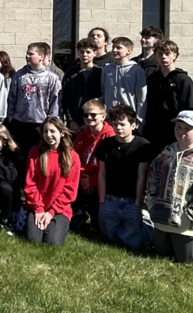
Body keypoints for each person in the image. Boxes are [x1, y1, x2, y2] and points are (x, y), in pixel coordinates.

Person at [145, 110, 193, 264]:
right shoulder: (166, 153)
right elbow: (152, 177)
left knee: (186, 262)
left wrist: (192, 213)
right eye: (179, 127)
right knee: (160, 258)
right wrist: (152, 203)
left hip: (187, 222)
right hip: (161, 218)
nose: (181, 132)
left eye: (187, 129)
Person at [95, 105, 154, 250]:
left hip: (131, 201)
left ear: (133, 125)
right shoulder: (105, 145)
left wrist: (137, 202)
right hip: (110, 199)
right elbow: (102, 174)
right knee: (109, 240)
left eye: (122, 124)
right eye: (115, 124)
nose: (118, 128)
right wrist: (102, 201)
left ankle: (146, 222)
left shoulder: (143, 146)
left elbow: (142, 176)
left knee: (134, 244)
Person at [24, 117, 81, 246]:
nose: (48, 135)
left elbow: (70, 191)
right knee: (33, 240)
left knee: (53, 242)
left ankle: (60, 224)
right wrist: (38, 209)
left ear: (62, 133)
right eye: (45, 131)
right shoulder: (35, 152)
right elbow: (30, 184)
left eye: (52, 131)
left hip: (59, 209)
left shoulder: (73, 157)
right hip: (37, 205)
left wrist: (51, 212)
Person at [7, 42, 62, 171]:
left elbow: (56, 102)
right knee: (19, 157)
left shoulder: (52, 78)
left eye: (31, 54)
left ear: (42, 57)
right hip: (19, 122)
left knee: (39, 158)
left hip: (40, 124)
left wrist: (51, 123)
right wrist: (11, 117)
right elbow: (11, 98)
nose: (27, 56)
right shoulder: (19, 75)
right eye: (27, 53)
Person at [143, 40, 193, 148]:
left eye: (167, 53)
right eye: (160, 54)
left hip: (175, 130)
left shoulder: (183, 79)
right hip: (153, 130)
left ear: (175, 55)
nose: (163, 57)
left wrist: (184, 128)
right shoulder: (151, 79)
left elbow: (190, 107)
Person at [71, 99, 115, 231]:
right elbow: (73, 159)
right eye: (86, 115)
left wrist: (92, 181)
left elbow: (111, 169)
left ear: (103, 116)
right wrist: (84, 178)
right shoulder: (83, 135)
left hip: (101, 181)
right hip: (83, 178)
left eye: (93, 115)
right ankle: (78, 214)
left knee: (99, 224)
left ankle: (94, 219)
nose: (89, 118)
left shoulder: (110, 136)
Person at [100, 37, 148, 130]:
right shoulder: (106, 69)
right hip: (109, 119)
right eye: (113, 47)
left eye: (118, 48)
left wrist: (139, 119)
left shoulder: (136, 70)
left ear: (129, 51)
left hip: (129, 118)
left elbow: (142, 97)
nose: (114, 50)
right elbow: (104, 91)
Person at [62, 39, 103, 133]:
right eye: (82, 52)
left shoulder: (100, 73)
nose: (84, 55)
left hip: (95, 121)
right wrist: (70, 120)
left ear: (95, 53)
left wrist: (92, 121)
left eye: (88, 52)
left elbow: (103, 98)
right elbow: (65, 99)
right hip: (74, 123)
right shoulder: (71, 73)